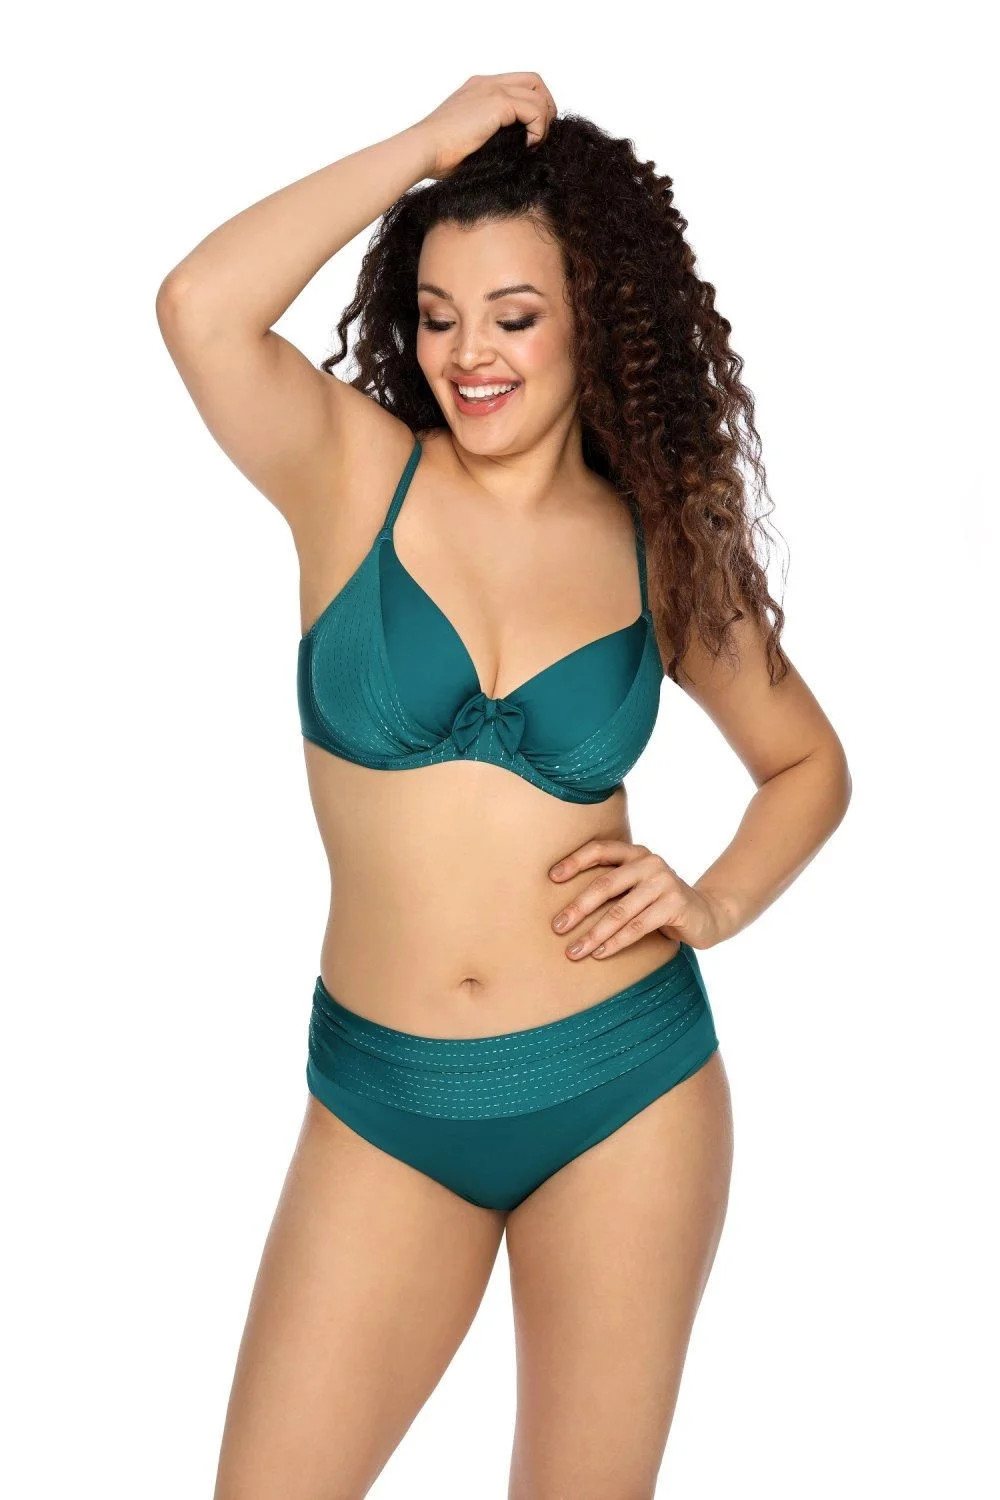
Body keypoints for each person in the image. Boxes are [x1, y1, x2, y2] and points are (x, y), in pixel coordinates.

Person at [156, 72, 852, 1500]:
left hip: (626, 1095)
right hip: (382, 1102)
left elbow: (807, 764)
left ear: (594, 317)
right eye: (437, 314)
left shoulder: (658, 541)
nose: (469, 353)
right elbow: (199, 308)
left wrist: (714, 902)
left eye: (514, 315)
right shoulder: (352, 474)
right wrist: (424, 149)